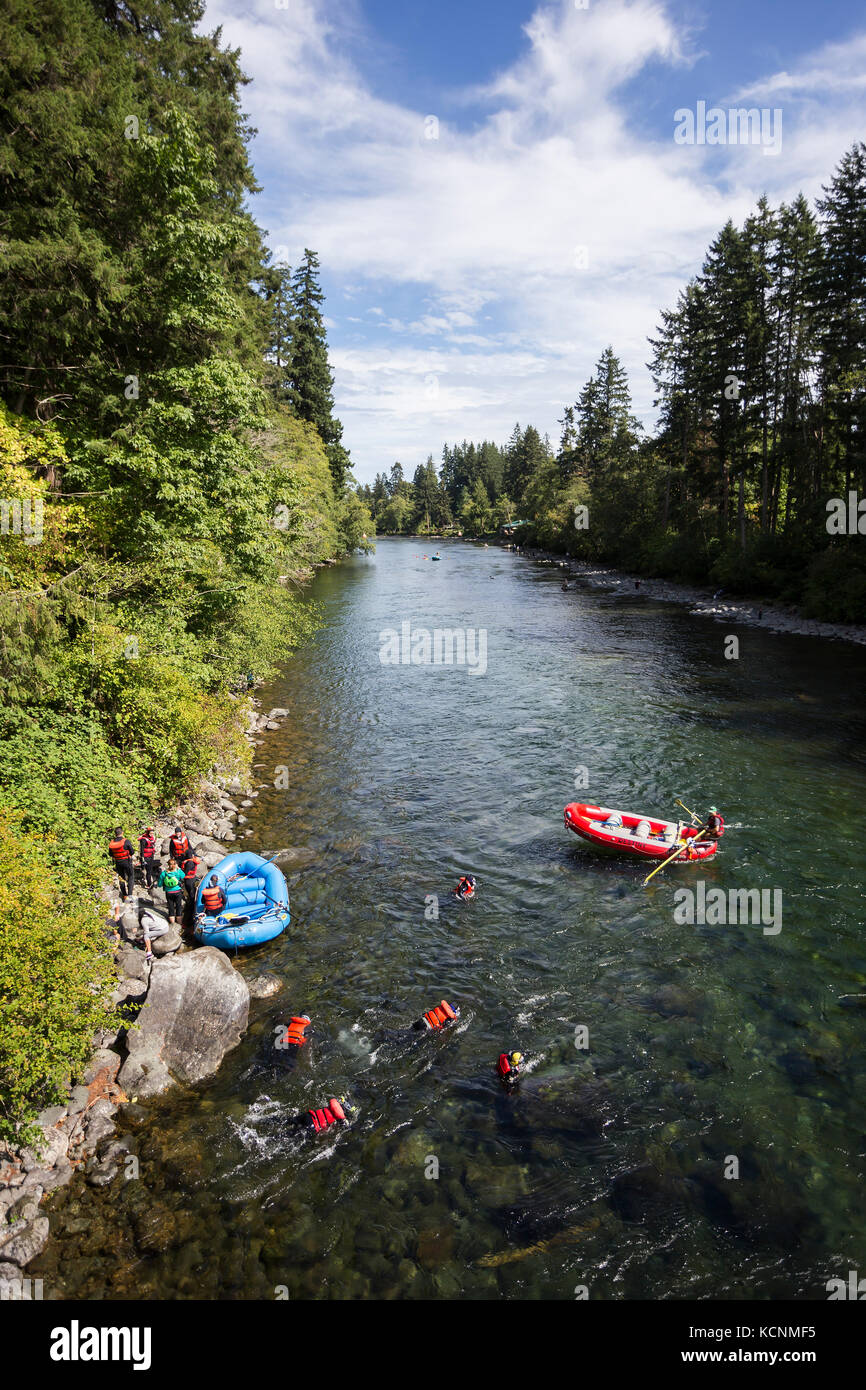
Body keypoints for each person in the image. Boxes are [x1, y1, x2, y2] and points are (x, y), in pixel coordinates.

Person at [109, 827, 136, 900]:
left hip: (118, 862)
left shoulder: (112, 843)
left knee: (121, 878)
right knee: (131, 876)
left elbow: (110, 854)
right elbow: (132, 852)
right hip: (126, 862)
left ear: (115, 834)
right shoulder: (126, 841)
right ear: (122, 833)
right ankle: (130, 895)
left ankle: (124, 895)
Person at [158, 858, 186, 924]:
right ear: (175, 864)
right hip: (177, 892)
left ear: (168, 865)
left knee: (171, 907)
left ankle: (172, 923)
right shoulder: (178, 872)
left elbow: (160, 884)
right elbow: (184, 876)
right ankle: (179, 923)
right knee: (178, 906)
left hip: (168, 892)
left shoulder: (164, 873)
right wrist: (179, 869)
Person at [180, 849, 202, 925]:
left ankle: (192, 907)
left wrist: (180, 878)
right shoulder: (192, 861)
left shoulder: (189, 863)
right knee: (192, 892)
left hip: (189, 880)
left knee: (191, 893)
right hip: (192, 878)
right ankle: (192, 901)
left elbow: (185, 873)